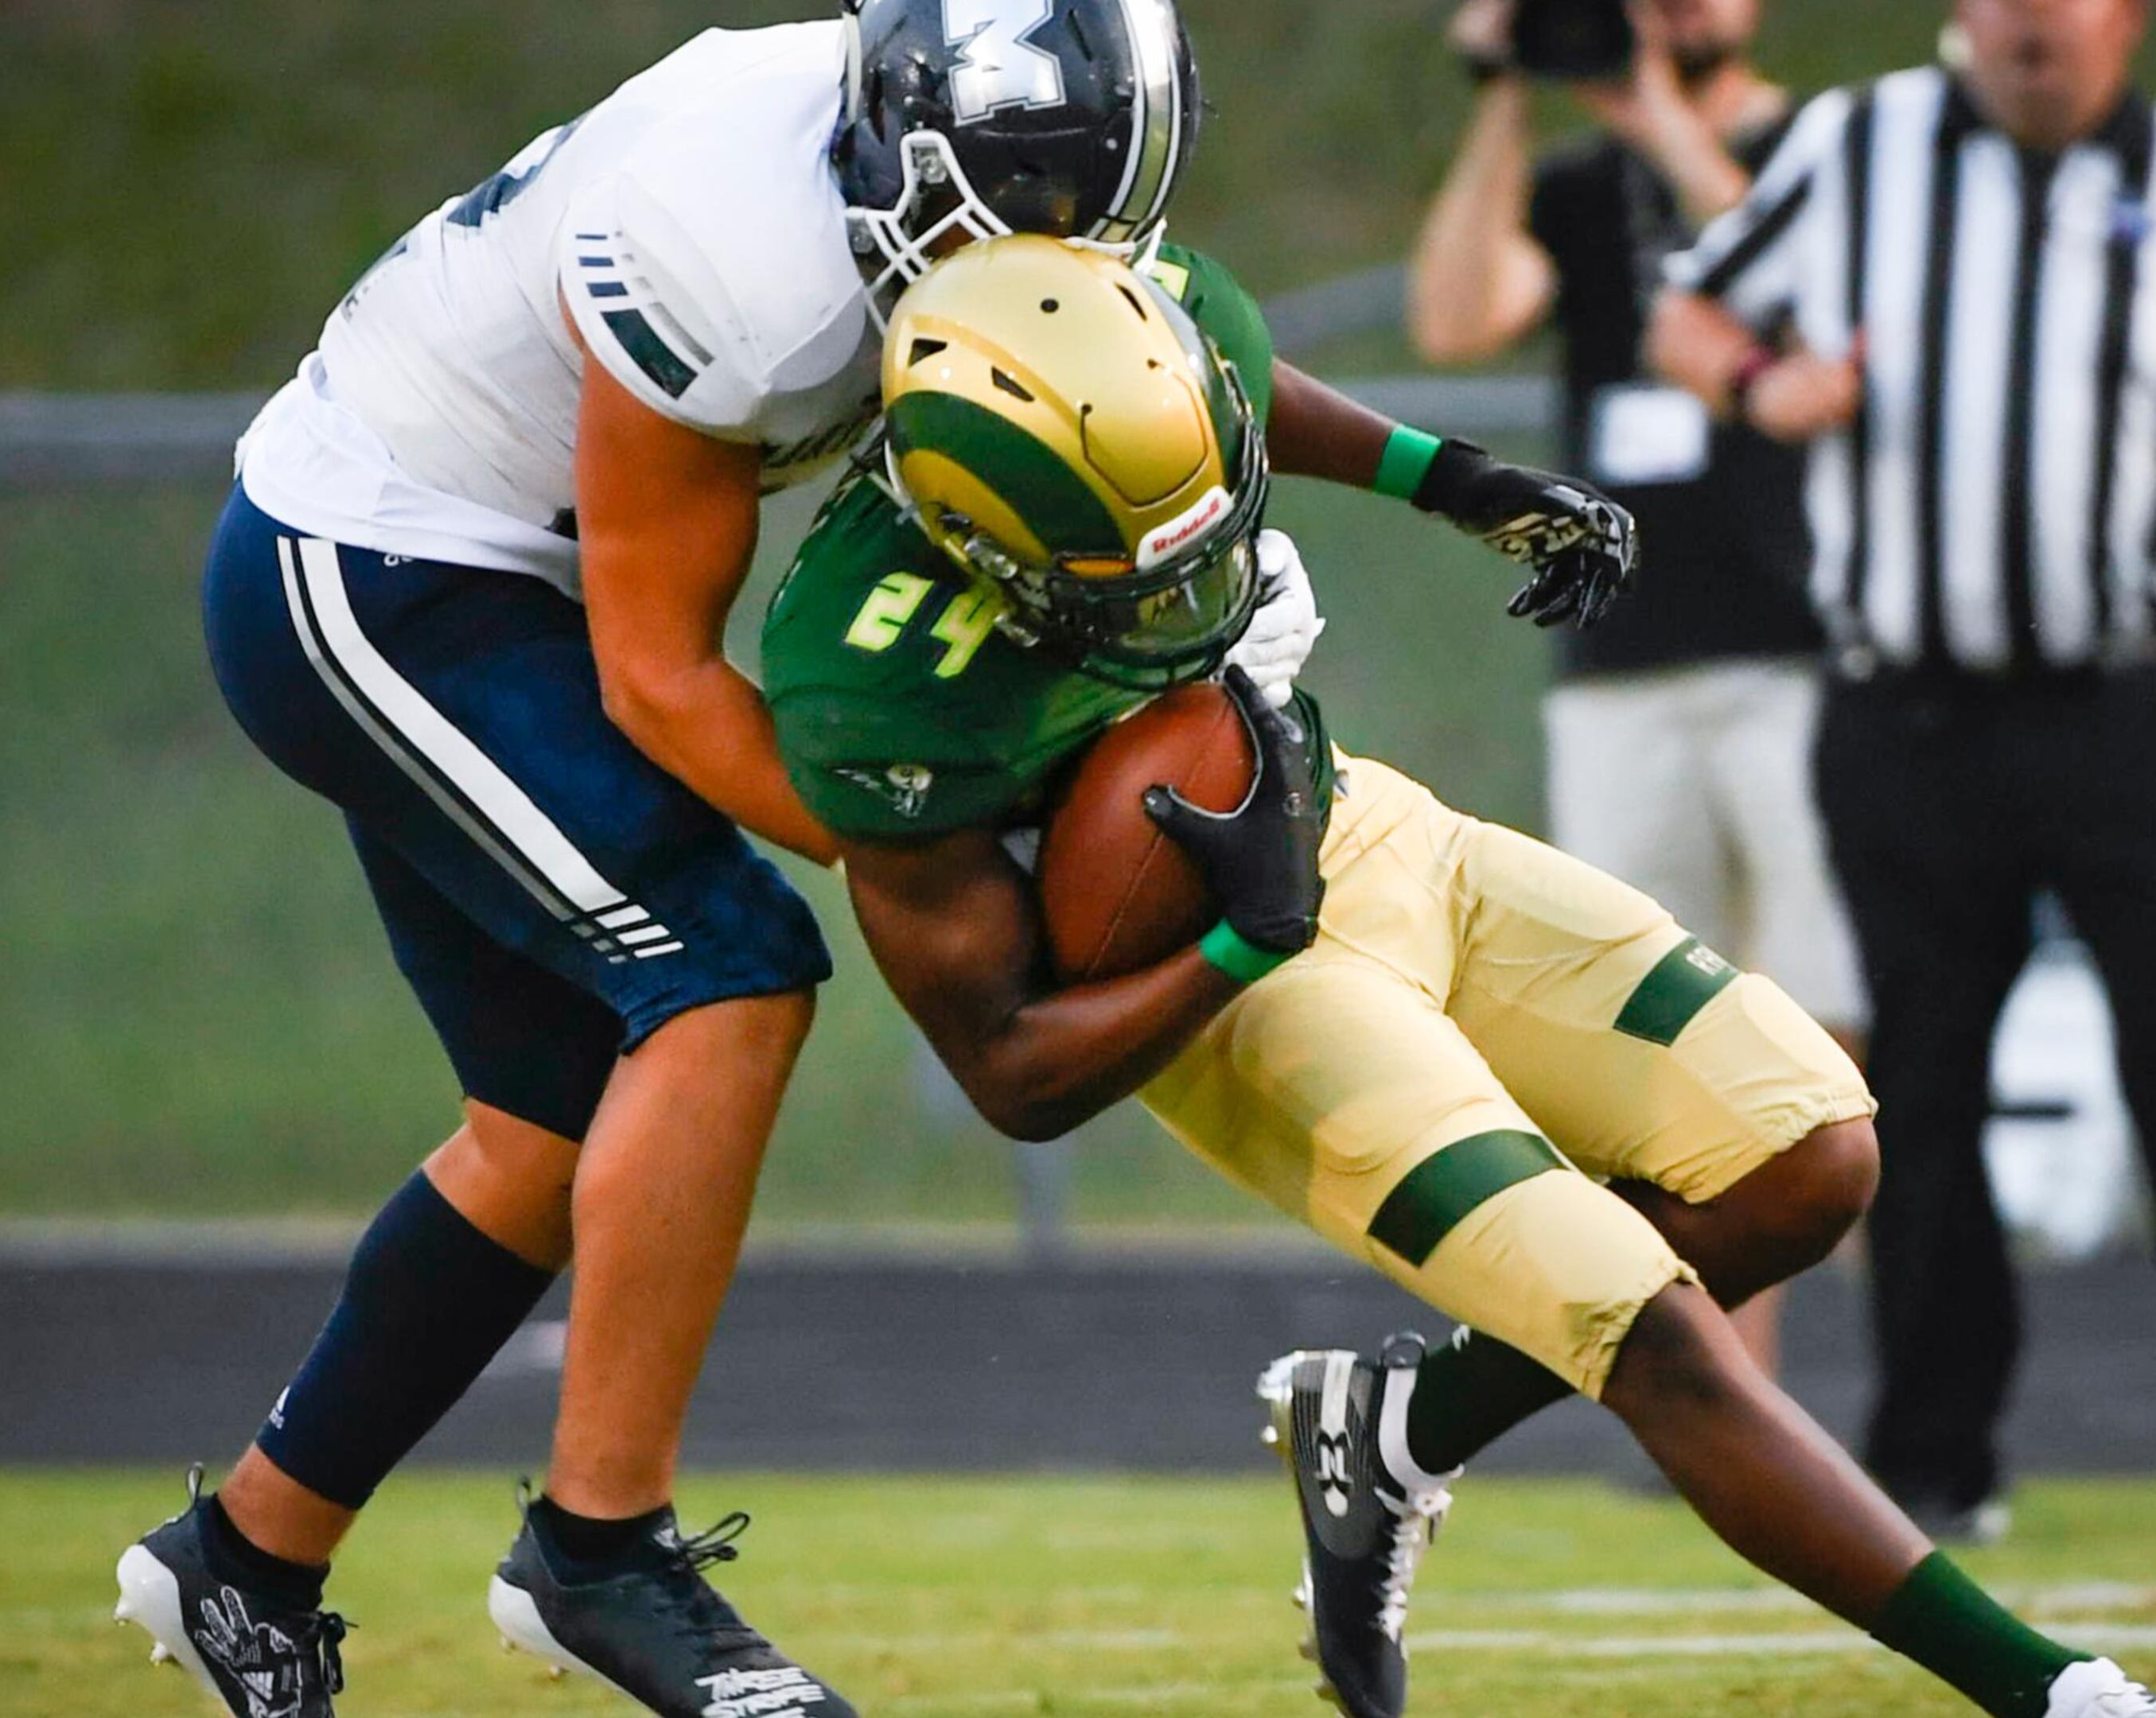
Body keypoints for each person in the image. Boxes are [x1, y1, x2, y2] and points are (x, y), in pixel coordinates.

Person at [118, 5, 1644, 1714]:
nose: (1061, 270)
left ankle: (246, 1559)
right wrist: (952, 846)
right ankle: (598, 1556)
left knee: (550, 1131)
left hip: (498, 577)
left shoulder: (974, 173)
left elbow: (1149, 373)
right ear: (909, 160)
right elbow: (662, 678)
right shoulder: (728, 253)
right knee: (726, 984)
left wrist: (1445, 479)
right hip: (385, 573)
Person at [764, 232, 2156, 1718]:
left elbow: (1256, 393)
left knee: (1812, 1156)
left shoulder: (1149, 325)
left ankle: (1393, 1425)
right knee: (1641, 1321)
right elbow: (1011, 1074)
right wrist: (1236, 934)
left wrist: (1455, 482)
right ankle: (2062, 1698)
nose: (1189, 586)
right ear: (987, 552)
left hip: (1380, 826)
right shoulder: (869, 687)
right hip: (1243, 996)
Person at [1649, 0, 2156, 1543]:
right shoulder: (1854, 150)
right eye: (2001, 1)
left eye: (2062, 3)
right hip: (1906, 715)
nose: (2029, 28)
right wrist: (1755, 389)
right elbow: (1690, 310)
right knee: (1917, 1079)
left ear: (2123, 21)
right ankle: (1934, 1459)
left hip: (2119, 714)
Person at [1407, 0, 1864, 1376]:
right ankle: (1727, 1383)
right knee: (1656, 1036)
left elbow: (1808, 283)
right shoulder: (1580, 184)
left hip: (1801, 647)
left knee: (1829, 1032)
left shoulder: (1822, 151)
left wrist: (1658, 99)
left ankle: (1902, 1396)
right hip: (1621, 670)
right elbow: (1456, 315)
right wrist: (1508, 88)